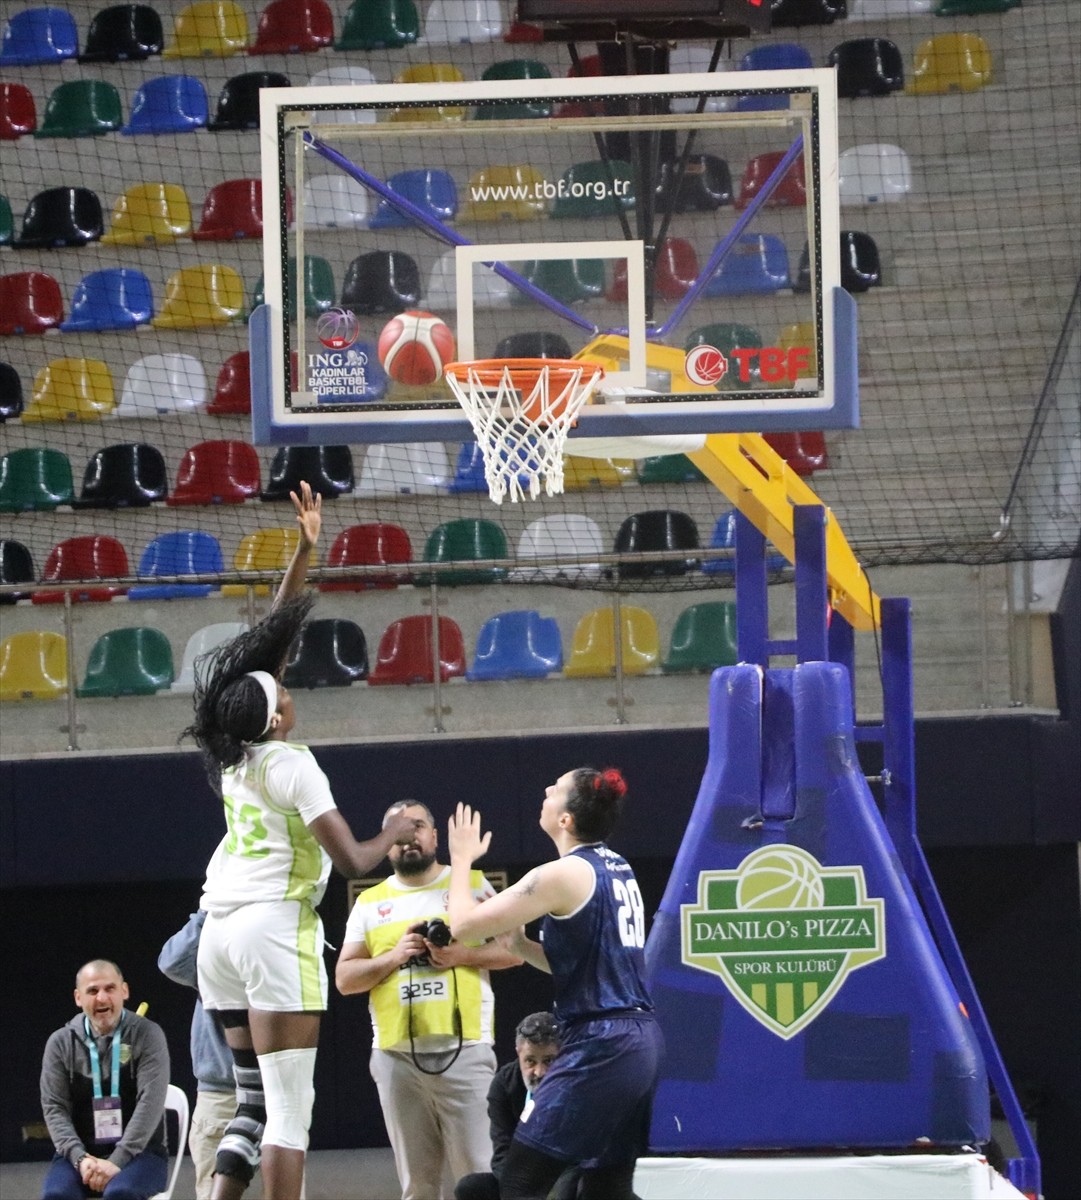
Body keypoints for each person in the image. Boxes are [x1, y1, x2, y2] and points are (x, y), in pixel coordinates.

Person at [182, 481, 418, 1200]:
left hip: (216, 940)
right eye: (281, 690)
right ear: (278, 715)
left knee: (251, 1104)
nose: (288, 686)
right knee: (289, 1112)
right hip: (272, 930)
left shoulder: (235, 753)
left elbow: (273, 636)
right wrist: (395, 832)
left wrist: (306, 549)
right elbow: (352, 861)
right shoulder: (291, 762)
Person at [446, 768, 663, 1200]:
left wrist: (461, 860)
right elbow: (586, 968)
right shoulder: (617, 866)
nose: (545, 791)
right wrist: (522, 946)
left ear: (566, 819)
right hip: (639, 1041)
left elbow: (464, 927)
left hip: (602, 1043)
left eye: (555, 789)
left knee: (519, 1185)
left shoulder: (561, 874)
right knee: (605, 1189)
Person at [335, 800, 523, 1200]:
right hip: (396, 1058)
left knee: (480, 1179)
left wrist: (460, 955)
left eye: (417, 826)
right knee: (417, 1187)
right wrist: (394, 956)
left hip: (466, 1050)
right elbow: (344, 979)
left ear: (435, 836)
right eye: (398, 830)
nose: (408, 838)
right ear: (387, 845)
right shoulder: (370, 903)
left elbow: (515, 951)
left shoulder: (469, 884)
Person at [40, 960, 170, 1200]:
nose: (101, 998)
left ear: (124, 991)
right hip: (79, 1154)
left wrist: (118, 1160)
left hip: (140, 1154)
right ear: (78, 998)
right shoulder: (59, 1043)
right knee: (56, 1195)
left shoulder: (148, 1035)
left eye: (110, 989)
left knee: (121, 1193)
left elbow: (149, 1105)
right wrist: (80, 1159)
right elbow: (54, 1108)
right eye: (92, 991)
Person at [453, 1012, 578, 1200]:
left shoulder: (581, 1082)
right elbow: (502, 1158)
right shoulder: (503, 1086)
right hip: (525, 1178)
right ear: (518, 1053)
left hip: (571, 1173)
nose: (539, 1071)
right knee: (470, 1187)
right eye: (530, 1061)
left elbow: (585, 1155)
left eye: (549, 1061)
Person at [157, 911, 236, 1200]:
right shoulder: (213, 957)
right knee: (211, 1192)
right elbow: (171, 961)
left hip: (271, 1090)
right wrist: (207, 912)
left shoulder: (270, 946)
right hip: (220, 1093)